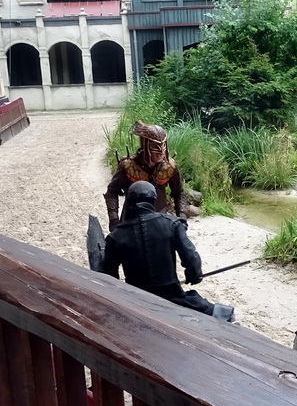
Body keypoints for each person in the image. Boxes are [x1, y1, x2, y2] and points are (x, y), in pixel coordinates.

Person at [100, 181, 235, 321]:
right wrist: (194, 274)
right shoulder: (172, 224)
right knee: (216, 312)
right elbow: (191, 257)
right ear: (153, 200)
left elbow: (109, 278)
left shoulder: (115, 237)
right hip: (172, 296)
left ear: (129, 202)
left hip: (137, 300)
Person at [104, 121, 185, 231]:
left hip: (160, 222)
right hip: (131, 222)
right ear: (146, 146)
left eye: (163, 146)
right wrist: (114, 221)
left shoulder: (169, 167)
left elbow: (178, 192)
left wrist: (182, 217)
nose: (161, 152)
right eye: (155, 147)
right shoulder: (129, 167)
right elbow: (112, 191)